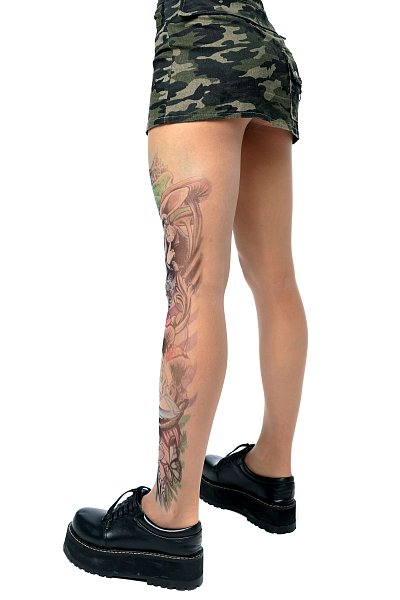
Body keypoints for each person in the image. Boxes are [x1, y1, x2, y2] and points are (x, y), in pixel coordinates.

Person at [63, 0, 308, 590]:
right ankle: (269, 474)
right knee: (275, 278)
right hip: (265, 51)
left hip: (199, 47)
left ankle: (169, 519)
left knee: (194, 284)